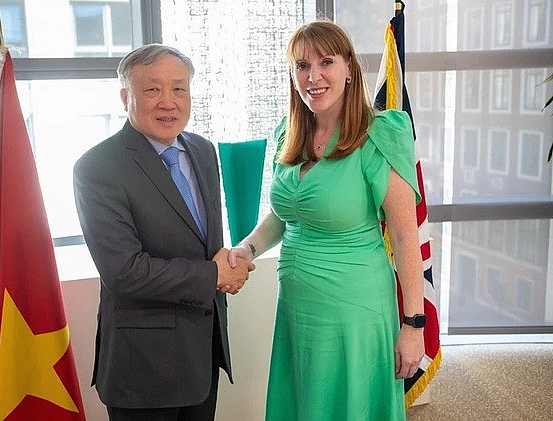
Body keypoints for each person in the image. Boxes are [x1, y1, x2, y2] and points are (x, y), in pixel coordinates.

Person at [229, 21, 425, 420]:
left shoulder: (380, 134)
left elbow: (406, 238)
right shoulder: (288, 132)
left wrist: (413, 325)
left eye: (326, 62)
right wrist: (247, 247)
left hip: (356, 308)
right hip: (298, 306)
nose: (313, 76)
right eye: (302, 65)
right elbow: (285, 215)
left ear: (349, 68)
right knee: (305, 403)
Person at [73, 44, 254, 421]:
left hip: (203, 353)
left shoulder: (203, 151)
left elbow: (205, 244)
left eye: (179, 89)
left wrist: (226, 265)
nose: (168, 102)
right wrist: (213, 275)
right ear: (126, 97)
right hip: (143, 368)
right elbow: (124, 271)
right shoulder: (97, 167)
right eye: (152, 90)